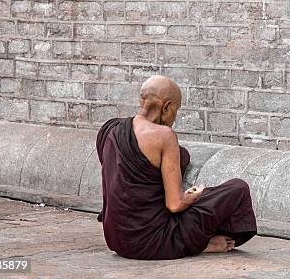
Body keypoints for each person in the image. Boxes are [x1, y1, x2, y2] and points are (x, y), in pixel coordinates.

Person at [95, 75, 257, 260]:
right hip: (152, 241)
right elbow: (175, 205)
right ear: (166, 107)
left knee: (183, 155)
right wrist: (193, 195)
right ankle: (200, 243)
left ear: (142, 100)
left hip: (117, 239)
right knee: (238, 188)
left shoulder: (111, 129)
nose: (175, 116)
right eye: (175, 110)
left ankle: (192, 241)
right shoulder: (165, 136)